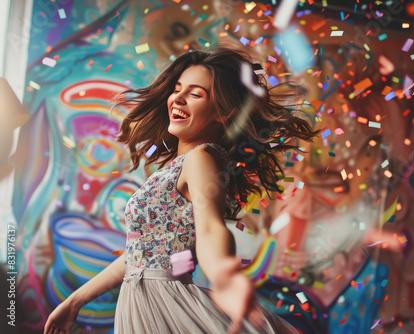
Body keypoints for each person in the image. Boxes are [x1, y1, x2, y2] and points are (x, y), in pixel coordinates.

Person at [43, 46, 320, 334]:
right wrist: (75, 301)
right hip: (143, 300)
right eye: (177, 89)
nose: (178, 98)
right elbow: (138, 255)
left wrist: (224, 276)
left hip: (166, 304)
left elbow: (210, 229)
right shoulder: (181, 165)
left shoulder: (201, 158)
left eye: (195, 93)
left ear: (224, 113)